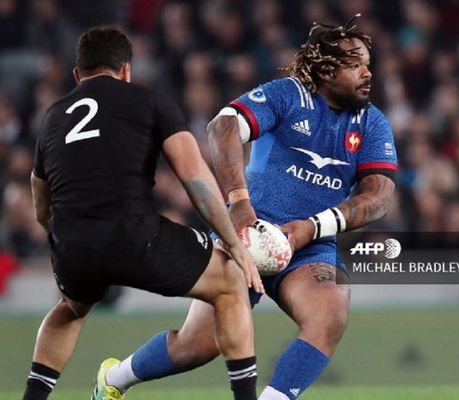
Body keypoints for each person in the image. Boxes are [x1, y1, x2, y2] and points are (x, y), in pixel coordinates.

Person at [94, 14, 397, 400]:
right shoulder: (288, 95)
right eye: (355, 64)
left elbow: (379, 196)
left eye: (368, 64)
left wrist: (312, 227)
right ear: (325, 70)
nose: (367, 73)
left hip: (311, 245)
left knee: (331, 310)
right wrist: (238, 202)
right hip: (246, 233)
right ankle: (114, 379)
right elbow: (222, 127)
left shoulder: (371, 124)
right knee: (197, 346)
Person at [22, 26, 263, 400]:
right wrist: (235, 245)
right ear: (126, 71)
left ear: (76, 75)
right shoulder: (149, 100)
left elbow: (41, 203)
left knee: (70, 309)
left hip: (75, 246)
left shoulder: (53, 116)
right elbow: (194, 177)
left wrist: (61, 245)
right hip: (137, 238)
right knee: (231, 281)